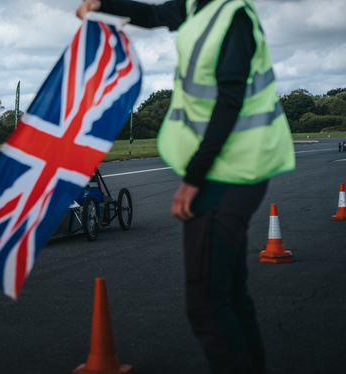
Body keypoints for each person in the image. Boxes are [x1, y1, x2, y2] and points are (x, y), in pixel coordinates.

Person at [76, 1, 295, 373]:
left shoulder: (233, 16)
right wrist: (103, 3)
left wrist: (193, 179)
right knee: (229, 294)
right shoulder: (196, 6)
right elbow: (154, 15)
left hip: (232, 170)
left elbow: (230, 101)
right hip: (222, 167)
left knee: (207, 300)